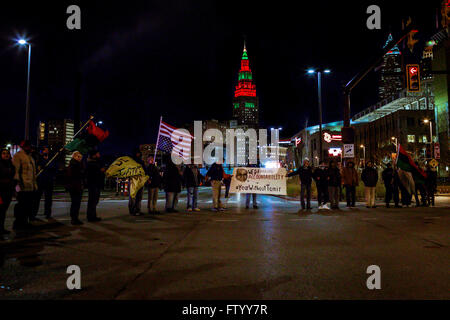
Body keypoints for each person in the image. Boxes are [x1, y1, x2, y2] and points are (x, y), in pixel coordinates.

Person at [12, 140, 38, 230]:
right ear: (24, 147)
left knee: (28, 206)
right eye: (28, 146)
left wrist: (35, 185)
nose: (30, 148)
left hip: (30, 186)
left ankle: (25, 222)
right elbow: (16, 172)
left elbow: (33, 174)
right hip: (22, 186)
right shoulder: (18, 156)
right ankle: (18, 223)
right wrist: (17, 186)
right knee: (21, 206)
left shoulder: (31, 158)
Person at [34, 147, 56, 218]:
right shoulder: (38, 158)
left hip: (49, 181)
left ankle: (47, 213)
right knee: (37, 198)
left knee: (48, 198)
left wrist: (47, 165)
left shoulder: (51, 158)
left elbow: (53, 167)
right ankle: (34, 213)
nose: (47, 151)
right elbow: (39, 167)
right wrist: (45, 164)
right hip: (40, 181)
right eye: (45, 149)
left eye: (47, 149)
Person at [66, 151, 84, 225]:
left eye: (81, 157)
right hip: (75, 186)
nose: (80, 159)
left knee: (75, 203)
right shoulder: (75, 165)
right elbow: (79, 175)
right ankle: (74, 219)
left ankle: (74, 218)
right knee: (76, 203)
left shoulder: (73, 164)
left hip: (75, 186)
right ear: (75, 156)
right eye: (79, 157)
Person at [86, 150, 104, 222]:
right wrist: (100, 170)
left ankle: (93, 216)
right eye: (98, 153)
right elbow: (95, 173)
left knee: (94, 201)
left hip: (96, 184)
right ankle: (91, 217)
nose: (99, 154)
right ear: (94, 155)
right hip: (93, 184)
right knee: (92, 201)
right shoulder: (91, 163)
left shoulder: (96, 162)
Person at [0, 148, 15, 234]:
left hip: (8, 191)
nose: (6, 155)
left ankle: (1, 228)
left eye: (7, 153)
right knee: (0, 211)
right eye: (4, 153)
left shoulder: (10, 165)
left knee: (3, 211)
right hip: (1, 191)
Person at [129, 148, 145, 216]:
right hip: (134, 181)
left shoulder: (141, 161)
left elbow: (144, 171)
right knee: (133, 197)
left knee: (139, 197)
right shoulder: (132, 162)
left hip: (140, 181)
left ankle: (137, 209)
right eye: (138, 153)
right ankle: (132, 210)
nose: (139, 154)